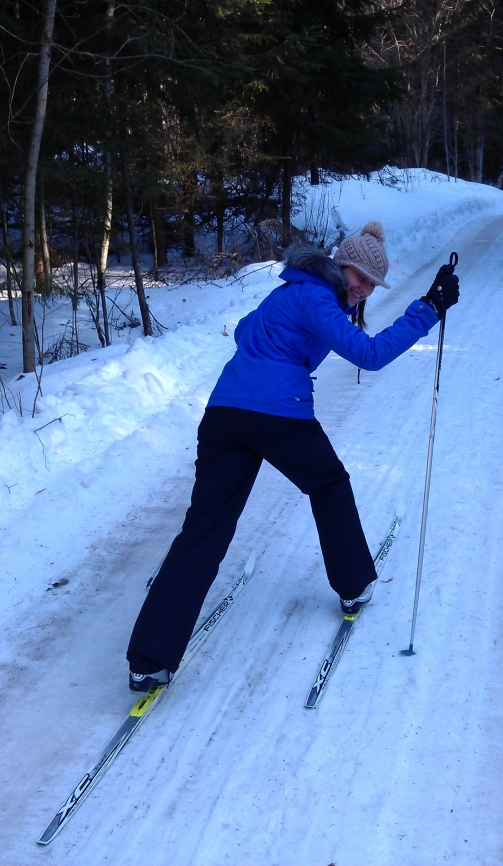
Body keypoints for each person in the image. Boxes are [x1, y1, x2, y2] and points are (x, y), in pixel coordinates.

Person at [127, 221, 459, 692]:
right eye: (359, 276)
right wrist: (428, 309)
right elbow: (370, 355)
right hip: (279, 416)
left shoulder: (292, 291)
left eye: (372, 284)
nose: (364, 289)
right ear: (340, 265)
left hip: (224, 415)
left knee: (204, 527)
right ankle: (353, 586)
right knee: (329, 484)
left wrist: (278, 345)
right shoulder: (318, 298)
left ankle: (149, 659)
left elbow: (244, 330)